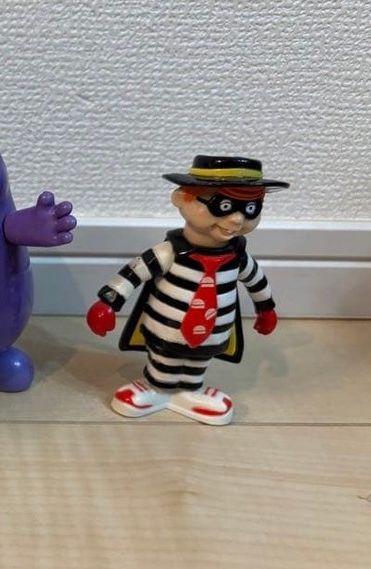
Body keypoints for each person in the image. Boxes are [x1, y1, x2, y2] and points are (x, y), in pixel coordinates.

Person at [86, 155, 289, 425]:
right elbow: (134, 273)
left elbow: (257, 281)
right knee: (164, 356)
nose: (237, 219)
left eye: (251, 208)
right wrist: (108, 302)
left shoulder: (238, 259)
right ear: (181, 198)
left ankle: (190, 391)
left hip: (213, 332)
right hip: (165, 327)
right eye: (223, 205)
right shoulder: (168, 253)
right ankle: (157, 387)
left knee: (198, 361)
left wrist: (266, 308)